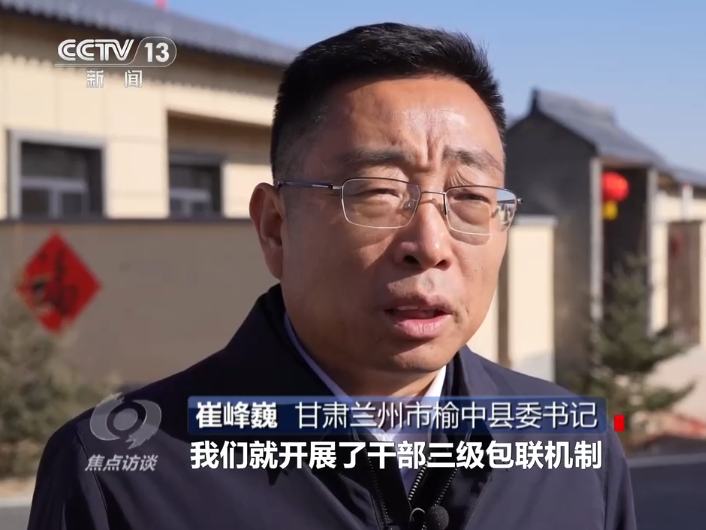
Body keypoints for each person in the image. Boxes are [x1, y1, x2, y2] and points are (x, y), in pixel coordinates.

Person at [28, 23, 637, 530]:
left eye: (470, 197)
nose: (429, 247)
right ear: (275, 227)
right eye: (377, 192)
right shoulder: (119, 474)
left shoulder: (573, 449)